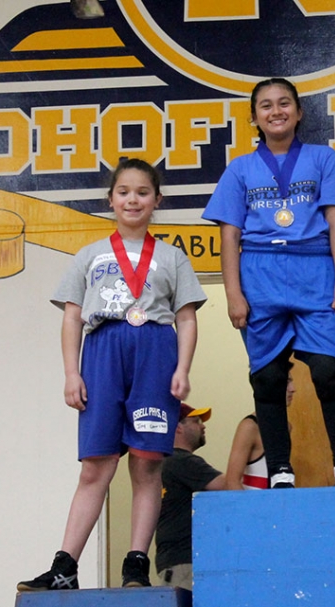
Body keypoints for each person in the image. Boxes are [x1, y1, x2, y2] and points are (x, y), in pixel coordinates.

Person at [18, 158, 207, 591]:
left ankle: (136, 564)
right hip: (102, 351)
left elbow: (188, 319)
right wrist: (71, 372)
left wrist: (182, 368)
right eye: (124, 192)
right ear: (111, 200)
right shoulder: (89, 255)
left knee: (148, 465)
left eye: (143, 192)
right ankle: (64, 567)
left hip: (155, 353)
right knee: (95, 466)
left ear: (156, 200)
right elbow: (71, 319)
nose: (133, 199)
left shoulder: (172, 257)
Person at [202, 77, 335, 489]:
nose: (276, 111)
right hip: (260, 275)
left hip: (314, 272)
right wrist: (234, 294)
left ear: (299, 111)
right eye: (266, 106)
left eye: (284, 103)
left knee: (328, 371)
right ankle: (280, 469)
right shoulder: (240, 169)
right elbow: (229, 237)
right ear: (254, 117)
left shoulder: (324, 159)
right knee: (268, 378)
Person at [155, 403, 226, 590]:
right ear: (177, 427)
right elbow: (229, 486)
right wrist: (249, 452)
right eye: (196, 421)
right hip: (184, 562)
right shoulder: (182, 462)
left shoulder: (164, 462)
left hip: (174, 560)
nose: (203, 426)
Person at [226, 369, 296, 490]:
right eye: (286, 382)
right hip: (254, 505)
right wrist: (248, 508)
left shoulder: (287, 427)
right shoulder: (249, 427)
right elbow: (232, 482)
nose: (293, 388)